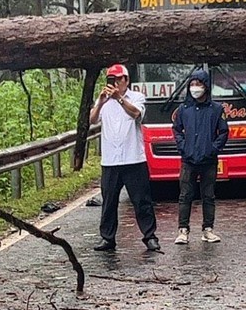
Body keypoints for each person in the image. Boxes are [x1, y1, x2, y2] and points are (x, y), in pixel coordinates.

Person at [89, 64, 160, 252]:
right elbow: (92, 119)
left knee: (141, 200)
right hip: (111, 161)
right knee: (109, 201)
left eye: (119, 79)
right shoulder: (103, 101)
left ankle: (150, 236)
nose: (115, 83)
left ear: (126, 80)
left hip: (133, 158)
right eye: (111, 79)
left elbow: (136, 113)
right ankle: (107, 237)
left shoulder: (136, 97)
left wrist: (119, 98)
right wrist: (101, 101)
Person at [172, 69, 229, 244]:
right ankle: (183, 230)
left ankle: (208, 230)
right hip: (188, 160)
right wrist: (183, 147)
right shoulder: (184, 109)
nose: (195, 88)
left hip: (208, 160)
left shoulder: (216, 109)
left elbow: (224, 132)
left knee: (208, 195)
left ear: (206, 86)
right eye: (192, 84)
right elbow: (177, 130)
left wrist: (213, 149)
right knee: (185, 195)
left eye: (198, 84)